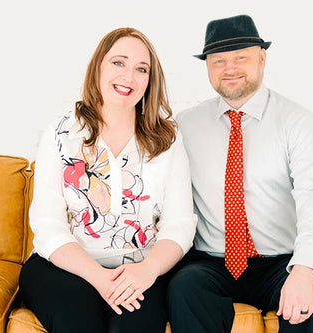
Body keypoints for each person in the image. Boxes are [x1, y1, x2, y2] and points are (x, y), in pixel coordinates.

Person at [167, 15, 313, 333]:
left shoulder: (297, 122)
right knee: (184, 288)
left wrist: (304, 268)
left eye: (241, 57)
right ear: (207, 66)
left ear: (262, 58)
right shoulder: (186, 126)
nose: (229, 68)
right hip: (211, 262)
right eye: (218, 60)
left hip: (281, 261)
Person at [19, 27, 196, 333]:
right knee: (78, 321)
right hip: (65, 268)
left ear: (149, 81)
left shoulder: (168, 140)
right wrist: (101, 279)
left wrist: (147, 271)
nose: (129, 76)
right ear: (98, 66)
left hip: (142, 268)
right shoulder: (60, 135)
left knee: (135, 325)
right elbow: (48, 227)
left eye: (142, 69)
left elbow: (180, 223)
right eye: (118, 62)